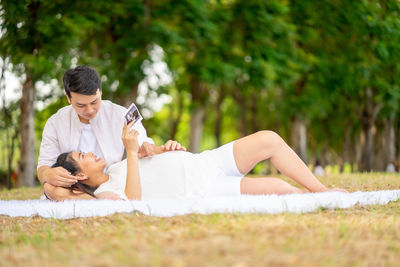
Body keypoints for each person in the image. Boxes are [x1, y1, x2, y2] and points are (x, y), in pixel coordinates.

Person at [44, 122, 347, 201]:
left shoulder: (116, 167)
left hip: (203, 161)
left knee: (268, 138)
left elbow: (155, 161)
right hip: (203, 186)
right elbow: (133, 202)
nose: (93, 153)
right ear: (79, 175)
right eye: (84, 156)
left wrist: (165, 148)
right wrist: (133, 153)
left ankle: (320, 191)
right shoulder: (104, 194)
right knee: (279, 188)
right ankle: (313, 199)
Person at [37, 66, 184, 199]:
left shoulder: (120, 115)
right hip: (81, 186)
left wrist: (156, 148)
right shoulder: (55, 122)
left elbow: (144, 146)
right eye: (81, 105)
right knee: (50, 189)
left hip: (116, 181)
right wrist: (47, 174)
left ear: (100, 92)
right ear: (68, 98)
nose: (89, 110)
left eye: (94, 102)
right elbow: (44, 165)